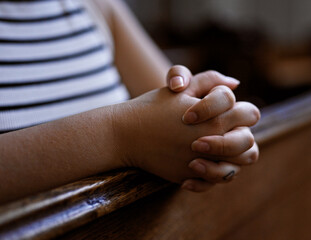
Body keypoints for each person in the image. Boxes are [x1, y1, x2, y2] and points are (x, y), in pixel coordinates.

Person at [0, 0, 260, 204]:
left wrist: (218, 127)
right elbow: (138, 130)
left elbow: (180, 111)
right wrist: (120, 136)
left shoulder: (95, 6)